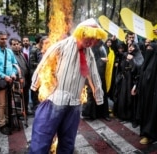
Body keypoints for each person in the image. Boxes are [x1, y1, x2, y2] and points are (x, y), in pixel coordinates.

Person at [29, 18, 107, 153]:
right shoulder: (62, 45)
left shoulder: (89, 54)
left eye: (94, 38)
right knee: (41, 141)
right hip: (55, 102)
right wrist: (34, 85)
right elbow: (44, 64)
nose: (91, 41)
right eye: (89, 36)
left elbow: (94, 75)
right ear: (81, 33)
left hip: (74, 105)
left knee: (67, 143)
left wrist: (99, 96)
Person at [136, 29, 157, 144]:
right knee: (144, 114)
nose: (147, 49)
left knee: (152, 114)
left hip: (154, 95)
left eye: (150, 48)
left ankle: (151, 135)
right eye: (147, 47)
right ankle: (144, 132)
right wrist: (136, 86)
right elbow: (141, 75)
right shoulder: (146, 62)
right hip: (144, 94)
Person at [9, 38, 31, 115]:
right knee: (19, 98)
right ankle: (20, 113)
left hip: (26, 79)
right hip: (18, 80)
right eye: (14, 44)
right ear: (10, 46)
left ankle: (26, 111)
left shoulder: (21, 53)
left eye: (17, 44)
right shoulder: (10, 55)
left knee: (26, 96)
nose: (16, 46)